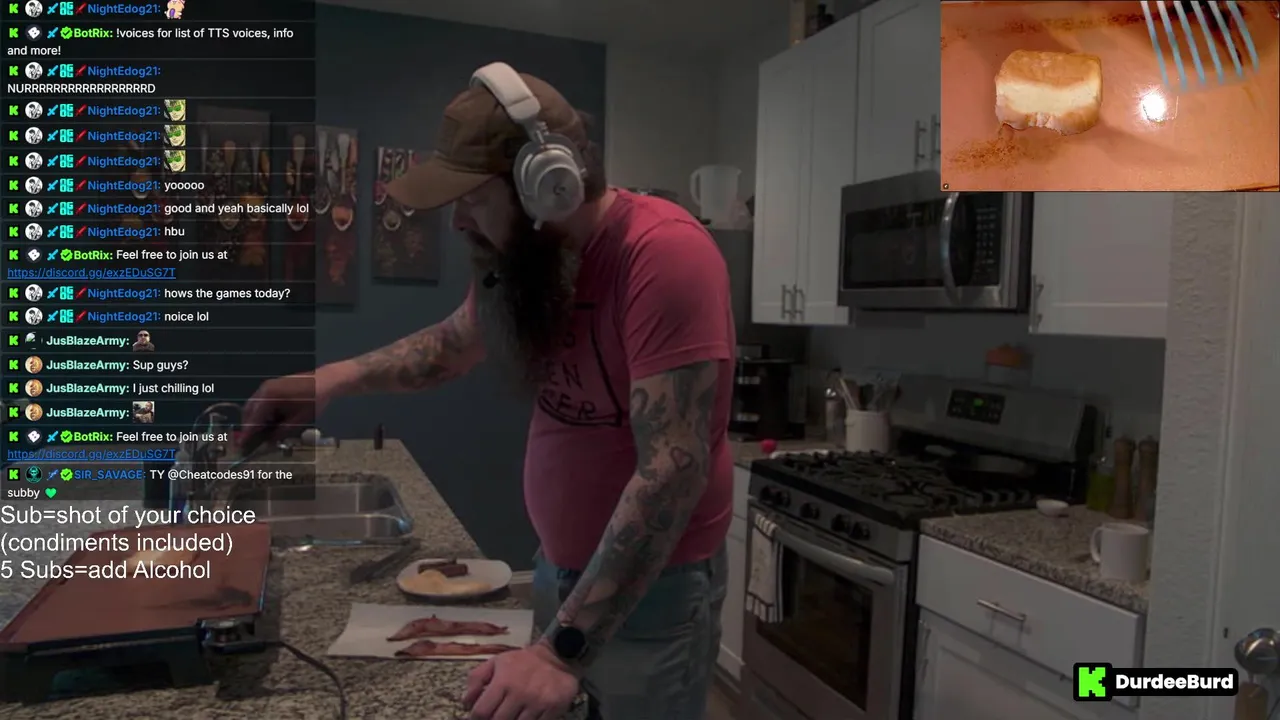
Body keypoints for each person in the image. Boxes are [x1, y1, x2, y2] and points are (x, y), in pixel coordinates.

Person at [243, 62, 735, 720]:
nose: (457, 223)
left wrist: (559, 654)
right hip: (560, 571)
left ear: (546, 186)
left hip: (654, 592)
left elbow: (671, 472)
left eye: (472, 200)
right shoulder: (530, 263)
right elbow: (453, 343)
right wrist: (329, 380)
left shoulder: (664, 254)